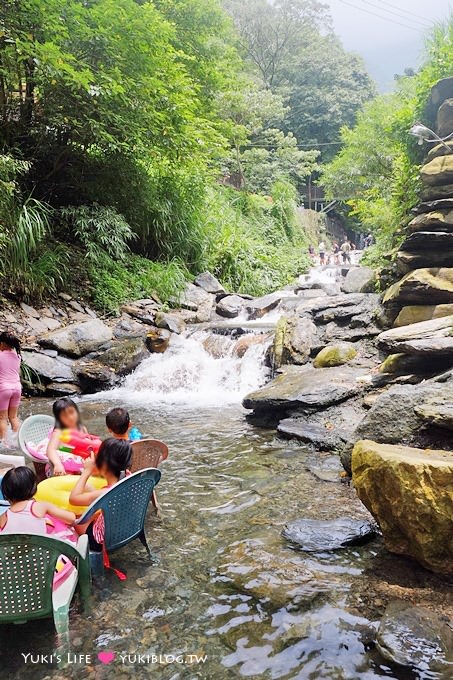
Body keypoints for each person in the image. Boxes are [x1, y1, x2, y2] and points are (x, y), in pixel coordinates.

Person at [70, 439, 132, 551]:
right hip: (125, 529)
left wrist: (87, 471)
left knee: (72, 519)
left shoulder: (106, 493)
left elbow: (73, 499)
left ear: (103, 464)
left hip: (101, 539)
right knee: (90, 515)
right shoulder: (129, 477)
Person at [0, 466, 75, 533]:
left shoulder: (3, 517)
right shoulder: (41, 506)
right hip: (46, 547)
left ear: (5, 492)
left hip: (19, 548)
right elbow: (71, 519)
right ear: (33, 488)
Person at [47, 398, 87, 476]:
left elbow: (86, 445)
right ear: (59, 419)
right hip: (63, 466)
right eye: (64, 416)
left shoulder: (82, 428)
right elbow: (50, 450)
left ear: (77, 411)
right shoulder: (59, 432)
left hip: (78, 462)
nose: (70, 417)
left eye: (71, 412)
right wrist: (57, 464)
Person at [0, 331, 22, 445]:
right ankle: (17, 442)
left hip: (4, 389)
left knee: (2, 418)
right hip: (17, 388)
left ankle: (5, 445)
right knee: (13, 417)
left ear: (3, 343)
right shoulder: (17, 356)